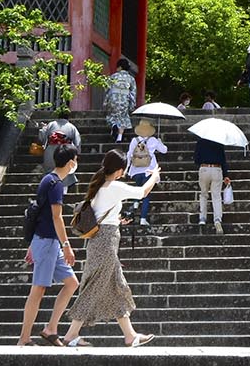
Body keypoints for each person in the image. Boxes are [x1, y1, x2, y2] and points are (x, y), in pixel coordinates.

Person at [61, 150, 159, 348]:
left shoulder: (99, 185)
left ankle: (130, 336)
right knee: (95, 287)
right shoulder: (113, 186)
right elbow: (142, 193)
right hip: (106, 242)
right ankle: (71, 335)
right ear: (120, 170)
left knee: (117, 286)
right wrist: (154, 177)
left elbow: (102, 214)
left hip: (102, 240)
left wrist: (117, 220)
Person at [17, 144, 80, 346]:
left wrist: (33, 244)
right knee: (38, 289)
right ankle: (24, 339)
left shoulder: (49, 180)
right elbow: (56, 217)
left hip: (46, 242)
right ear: (71, 162)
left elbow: (39, 214)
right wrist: (67, 245)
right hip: (47, 242)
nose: (76, 164)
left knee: (71, 283)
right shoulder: (55, 184)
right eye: (75, 160)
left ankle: (51, 328)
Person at [123, 118, 167, 228]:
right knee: (146, 195)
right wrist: (160, 142)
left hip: (136, 169)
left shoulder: (135, 140)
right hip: (149, 170)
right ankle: (143, 219)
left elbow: (129, 155)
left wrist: (126, 168)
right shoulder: (153, 140)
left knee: (138, 189)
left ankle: (136, 202)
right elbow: (164, 150)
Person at [193, 133, 231, 234]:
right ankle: (217, 219)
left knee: (204, 194)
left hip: (204, 168)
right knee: (216, 196)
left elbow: (196, 159)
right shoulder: (219, 142)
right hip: (217, 169)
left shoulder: (201, 141)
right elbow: (223, 160)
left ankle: (202, 218)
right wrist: (226, 175)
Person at [103, 58, 137, 143]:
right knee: (123, 117)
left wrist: (106, 102)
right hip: (124, 100)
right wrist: (132, 105)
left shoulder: (113, 76)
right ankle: (119, 137)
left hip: (113, 99)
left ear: (120, 67)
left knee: (112, 115)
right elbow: (133, 93)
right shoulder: (131, 79)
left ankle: (114, 125)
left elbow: (107, 89)